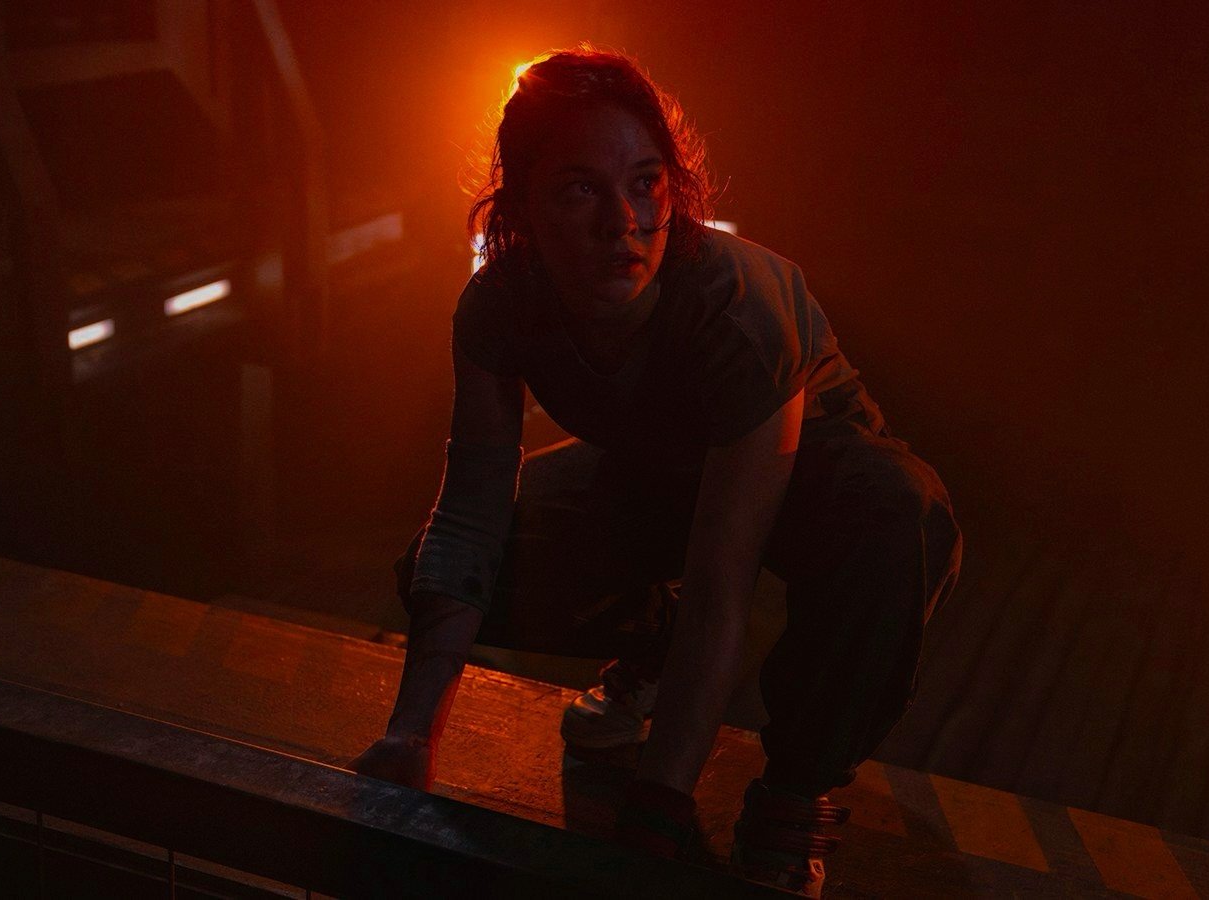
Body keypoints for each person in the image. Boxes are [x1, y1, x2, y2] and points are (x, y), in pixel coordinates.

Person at [349, 46, 962, 897]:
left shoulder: (733, 307)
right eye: (581, 190)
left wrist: (660, 805)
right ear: (523, 206)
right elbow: (468, 516)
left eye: (646, 183)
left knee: (901, 519)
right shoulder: (499, 306)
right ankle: (652, 641)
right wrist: (411, 736)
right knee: (439, 568)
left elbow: (722, 580)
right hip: (656, 466)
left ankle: (795, 796)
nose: (624, 222)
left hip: (805, 468)